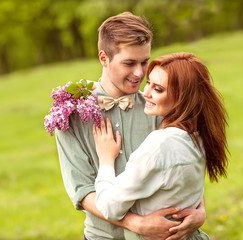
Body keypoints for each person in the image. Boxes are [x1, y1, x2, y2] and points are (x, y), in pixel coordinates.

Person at [55, 12, 207, 240]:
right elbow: (82, 190)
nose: (139, 73)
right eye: (129, 63)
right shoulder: (70, 114)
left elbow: (183, 166)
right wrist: (137, 224)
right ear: (104, 58)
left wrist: (200, 212)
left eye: (144, 62)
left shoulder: (157, 104)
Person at [92, 52, 229, 240]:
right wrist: (200, 212)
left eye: (158, 89)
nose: (145, 92)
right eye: (148, 83)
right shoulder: (199, 137)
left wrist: (106, 160)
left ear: (182, 98)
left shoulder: (159, 146)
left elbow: (109, 207)